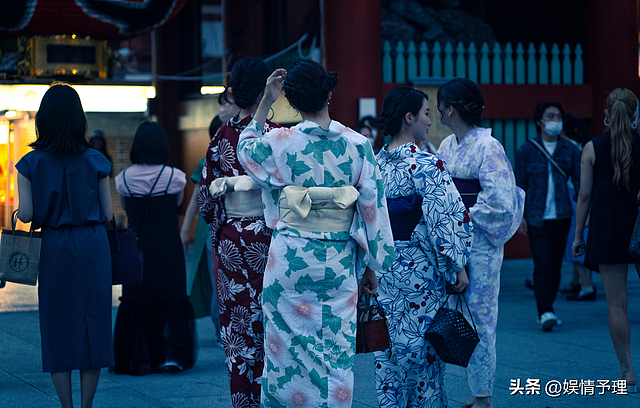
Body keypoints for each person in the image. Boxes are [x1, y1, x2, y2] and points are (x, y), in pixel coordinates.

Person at [237, 60, 395, 407]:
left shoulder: (279, 141)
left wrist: (266, 101)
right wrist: (373, 265)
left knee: (283, 356)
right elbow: (373, 209)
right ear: (330, 94)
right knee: (336, 355)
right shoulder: (358, 145)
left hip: (289, 261)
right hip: (337, 263)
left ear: (291, 102)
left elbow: (245, 148)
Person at [16, 83, 114, 408]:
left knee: (58, 323)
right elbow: (109, 214)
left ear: (43, 120)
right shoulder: (96, 159)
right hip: (93, 244)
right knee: (93, 322)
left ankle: (67, 407)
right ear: (78, 119)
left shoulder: (30, 163)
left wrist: (18, 210)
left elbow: (28, 215)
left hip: (55, 246)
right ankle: (87, 406)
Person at [374, 86, 472, 407]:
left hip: (383, 270)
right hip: (419, 272)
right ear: (409, 118)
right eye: (426, 113)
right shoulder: (428, 165)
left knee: (388, 354)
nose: (430, 121)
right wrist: (456, 265)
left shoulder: (373, 165)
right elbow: (448, 220)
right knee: (424, 355)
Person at [436, 78, 524, 408]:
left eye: (440, 106)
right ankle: (473, 390)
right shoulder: (447, 146)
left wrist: (459, 214)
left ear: (451, 109)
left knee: (482, 317)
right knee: (452, 315)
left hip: (481, 244)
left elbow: (500, 202)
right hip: (455, 241)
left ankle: (483, 394)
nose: (437, 113)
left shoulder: (489, 147)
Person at [198, 57, 277, 407]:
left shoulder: (220, 137)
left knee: (237, 327)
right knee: (272, 326)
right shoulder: (277, 137)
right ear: (265, 91)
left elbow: (205, 201)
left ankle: (243, 402)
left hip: (231, 240)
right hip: (270, 240)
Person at [112, 121, 196, 375]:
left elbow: (127, 210)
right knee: (171, 299)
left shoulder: (123, 179)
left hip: (137, 251)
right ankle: (172, 356)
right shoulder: (175, 177)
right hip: (168, 248)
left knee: (137, 301)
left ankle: (141, 357)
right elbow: (177, 206)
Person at [573, 88, 640, 394]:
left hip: (608, 229)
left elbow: (584, 196)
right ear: (635, 115)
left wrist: (578, 236)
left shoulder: (592, 148)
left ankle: (627, 371)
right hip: (639, 227)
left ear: (606, 116)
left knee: (617, 305)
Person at [515, 101, 582, 331]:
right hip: (536, 217)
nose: (555, 120)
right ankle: (545, 311)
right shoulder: (526, 150)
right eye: (550, 116)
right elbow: (519, 186)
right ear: (540, 122)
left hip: (562, 216)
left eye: (558, 116)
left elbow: (581, 182)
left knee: (555, 266)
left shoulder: (570, 149)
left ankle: (548, 306)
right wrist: (521, 216)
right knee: (542, 264)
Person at [181, 89, 240, 341]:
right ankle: (222, 327)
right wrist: (185, 229)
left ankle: (225, 328)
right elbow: (197, 196)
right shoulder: (209, 158)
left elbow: (196, 197)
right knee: (220, 278)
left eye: (226, 102)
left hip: (221, 224)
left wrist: (185, 229)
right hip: (216, 225)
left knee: (222, 277)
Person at [559, 114, 596, 301]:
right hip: (577, 199)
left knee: (576, 242)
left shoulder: (570, 149)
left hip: (574, 201)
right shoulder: (583, 147)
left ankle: (587, 287)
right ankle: (575, 282)